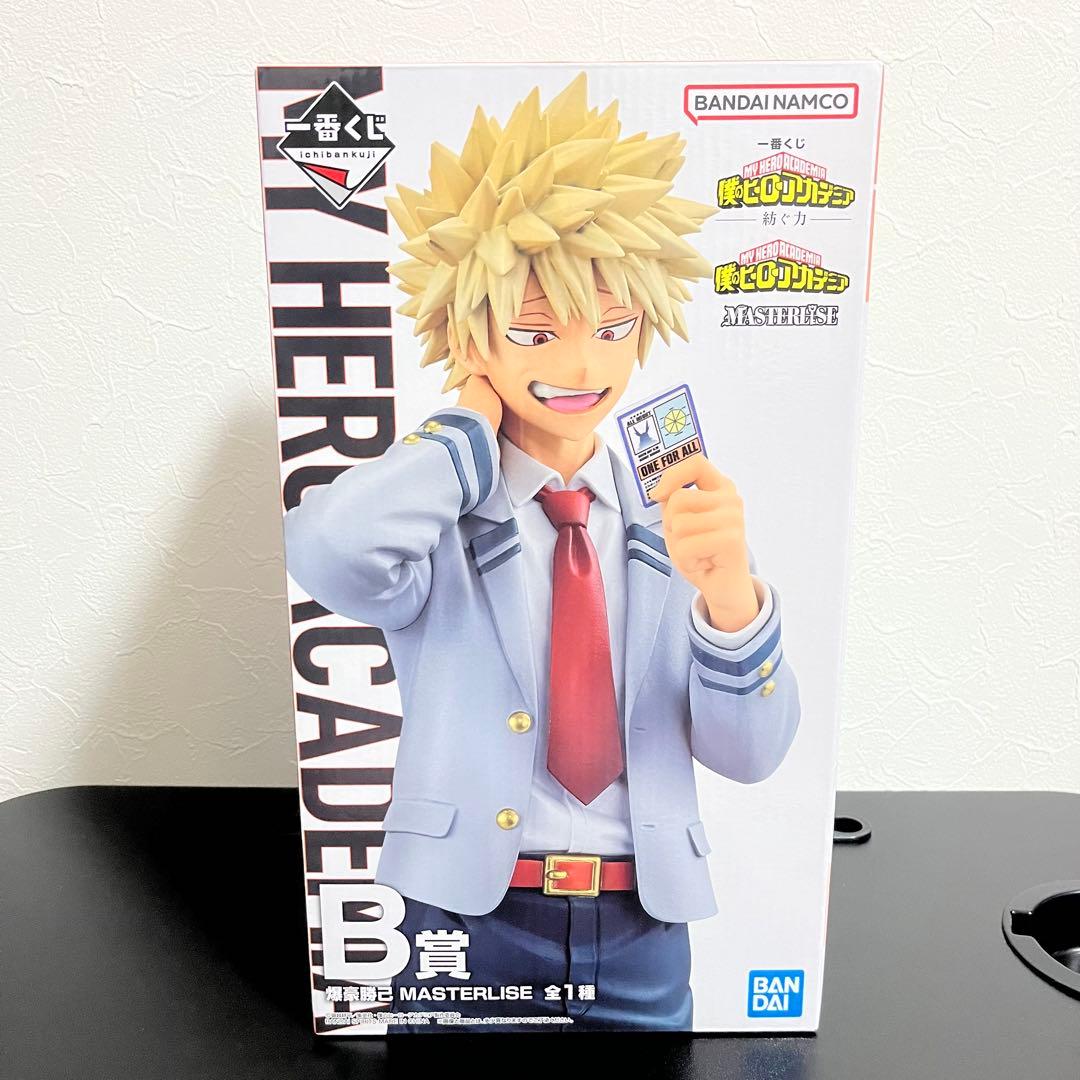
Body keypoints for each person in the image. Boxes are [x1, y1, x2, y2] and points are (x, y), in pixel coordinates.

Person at [284, 73, 800, 1031]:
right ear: (468, 334)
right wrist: (462, 431)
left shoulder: (672, 514)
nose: (580, 365)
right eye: (533, 330)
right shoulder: (434, 518)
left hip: (644, 921)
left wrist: (733, 600)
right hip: (467, 915)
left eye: (614, 328)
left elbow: (751, 754)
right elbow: (325, 553)